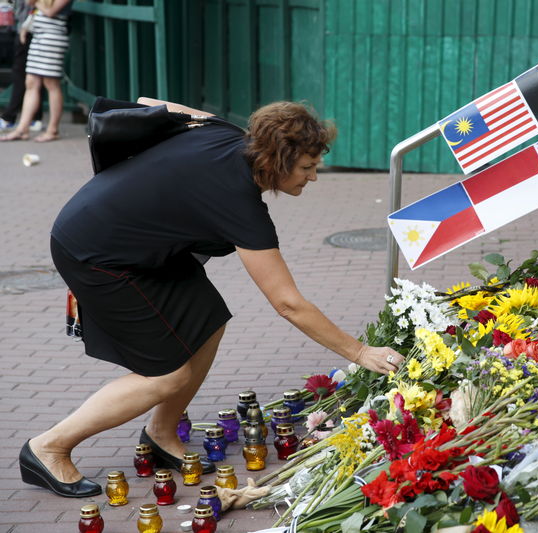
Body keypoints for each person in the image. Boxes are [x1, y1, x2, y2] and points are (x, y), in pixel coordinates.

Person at [19, 99, 404, 498]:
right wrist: (360, 352)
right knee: (167, 374)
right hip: (97, 254)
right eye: (307, 167)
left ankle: (161, 433)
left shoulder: (226, 132)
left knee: (206, 322)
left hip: (136, 241)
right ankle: (48, 447)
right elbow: (287, 302)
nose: (313, 177)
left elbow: (153, 103)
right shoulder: (238, 197)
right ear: (277, 159)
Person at [1, 0, 72, 142]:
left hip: (52, 37)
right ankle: (22, 129)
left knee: (51, 83)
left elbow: (51, 11)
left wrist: (35, 2)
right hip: (38, 37)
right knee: (31, 82)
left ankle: (53, 130)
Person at [0, 0, 44, 131]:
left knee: (26, 75)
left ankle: (11, 118)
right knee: (33, 78)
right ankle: (33, 118)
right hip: (28, 29)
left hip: (31, 30)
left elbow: (32, 4)